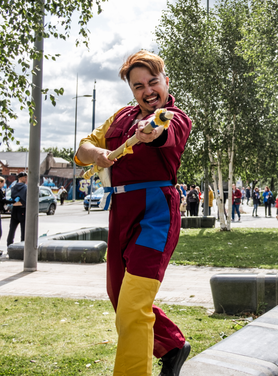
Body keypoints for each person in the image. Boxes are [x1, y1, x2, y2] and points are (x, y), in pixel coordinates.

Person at [75, 50, 192, 376]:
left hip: (156, 212)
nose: (147, 90)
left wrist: (151, 132)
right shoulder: (119, 116)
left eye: (153, 82)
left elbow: (162, 134)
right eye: (138, 86)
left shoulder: (174, 117)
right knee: (119, 296)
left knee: (132, 305)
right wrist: (97, 153)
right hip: (120, 210)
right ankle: (171, 346)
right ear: (132, 90)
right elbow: (83, 148)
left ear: (165, 81)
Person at [6, 172, 28, 247]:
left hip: (14, 208)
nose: (26, 179)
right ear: (21, 178)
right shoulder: (25, 187)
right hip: (22, 209)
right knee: (24, 230)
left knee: (12, 229)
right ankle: (23, 246)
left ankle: (9, 245)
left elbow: (12, 197)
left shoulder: (13, 187)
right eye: (25, 177)